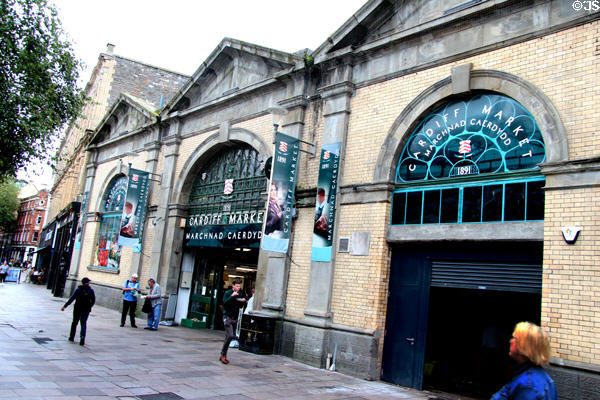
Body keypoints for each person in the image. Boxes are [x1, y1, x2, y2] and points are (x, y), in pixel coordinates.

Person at [491, 321, 558, 400]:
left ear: (523, 346)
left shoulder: (527, 386)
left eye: (514, 338)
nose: (510, 341)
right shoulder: (544, 379)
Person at [219, 278, 247, 364]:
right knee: (230, 335)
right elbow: (225, 303)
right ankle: (223, 355)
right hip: (227, 317)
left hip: (234, 317)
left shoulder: (240, 293)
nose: (238, 288)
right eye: (237, 286)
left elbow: (239, 306)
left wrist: (243, 300)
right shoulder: (228, 293)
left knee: (229, 336)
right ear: (233, 286)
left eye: (239, 286)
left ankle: (223, 354)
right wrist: (232, 296)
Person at [61, 277, 95, 346]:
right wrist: (90, 306)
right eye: (88, 282)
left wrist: (65, 306)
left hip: (77, 308)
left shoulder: (78, 289)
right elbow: (93, 300)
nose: (89, 283)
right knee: (83, 324)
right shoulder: (91, 290)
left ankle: (71, 337)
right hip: (86, 309)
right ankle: (82, 338)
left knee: (74, 323)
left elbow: (72, 298)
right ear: (86, 283)